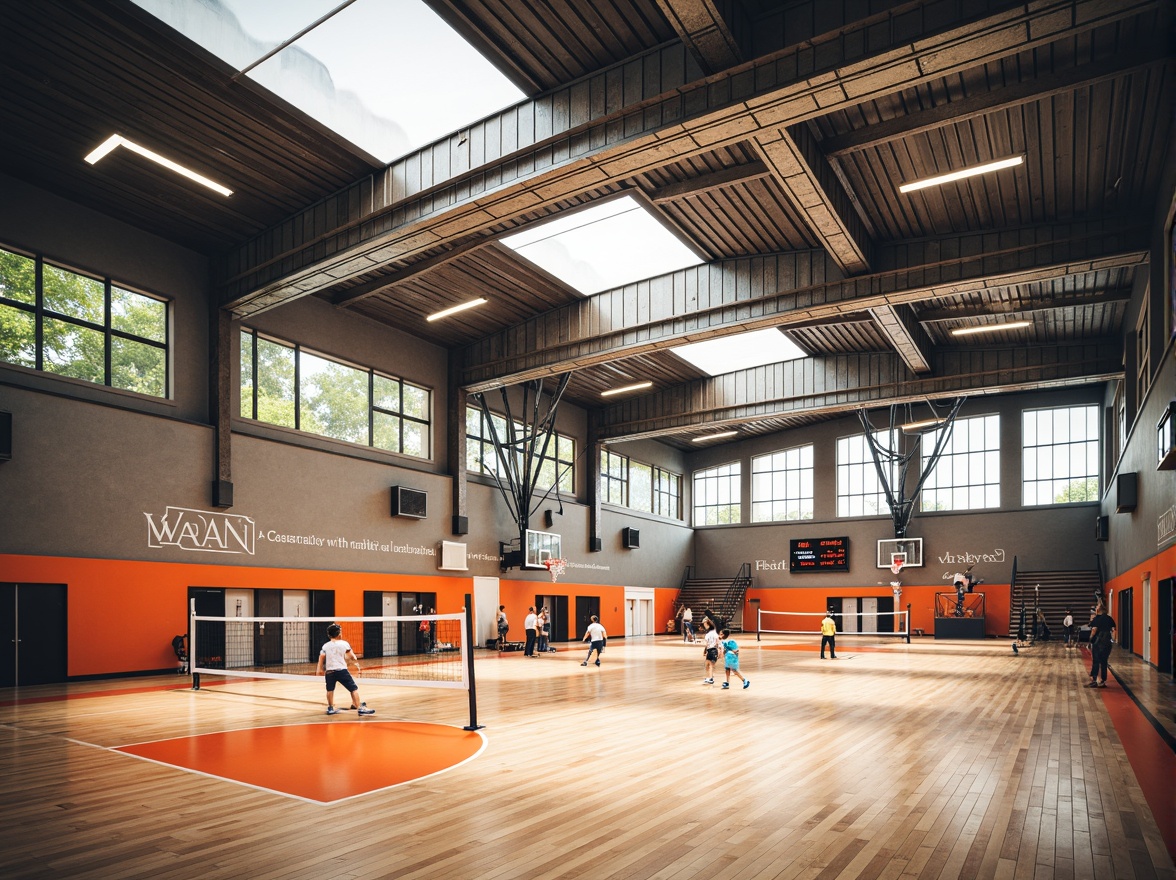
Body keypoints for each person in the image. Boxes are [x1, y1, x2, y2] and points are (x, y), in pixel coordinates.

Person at [316, 623, 375, 716]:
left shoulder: (325, 646)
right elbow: (353, 657)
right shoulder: (344, 644)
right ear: (339, 634)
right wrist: (352, 661)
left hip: (329, 671)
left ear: (329, 635)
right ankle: (359, 708)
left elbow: (321, 657)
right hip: (341, 671)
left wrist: (318, 669)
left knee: (330, 690)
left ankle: (330, 708)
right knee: (353, 689)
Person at [1086, 607, 1116, 688]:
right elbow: (1113, 630)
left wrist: (1090, 639)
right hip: (1107, 642)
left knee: (1096, 660)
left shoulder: (1097, 619)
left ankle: (1096, 679)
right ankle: (1102, 680)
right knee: (1104, 661)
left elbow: (1094, 630)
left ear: (1098, 611)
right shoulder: (1110, 619)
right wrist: (1113, 640)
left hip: (1098, 642)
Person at [701, 620, 720, 684]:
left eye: (705, 625)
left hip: (710, 650)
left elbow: (706, 644)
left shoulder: (707, 635)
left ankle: (710, 678)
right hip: (715, 650)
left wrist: (704, 651)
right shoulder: (715, 633)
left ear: (708, 626)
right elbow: (718, 643)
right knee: (710, 665)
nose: (705, 626)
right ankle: (709, 677)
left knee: (708, 665)